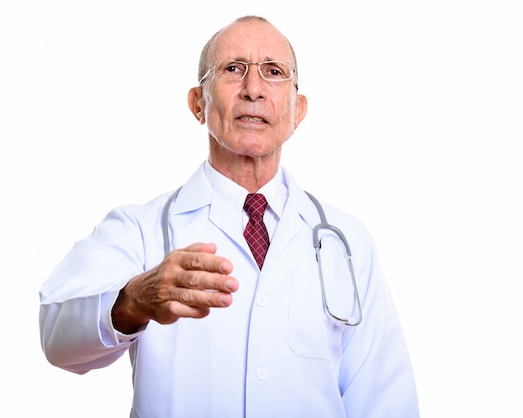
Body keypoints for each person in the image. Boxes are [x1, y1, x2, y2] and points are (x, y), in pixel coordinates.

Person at [39, 15, 420, 418]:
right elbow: (56, 335)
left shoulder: (346, 241)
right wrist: (133, 301)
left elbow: (384, 399)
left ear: (298, 111)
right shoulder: (140, 230)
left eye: (273, 72)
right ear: (197, 103)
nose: (253, 89)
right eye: (233, 69)